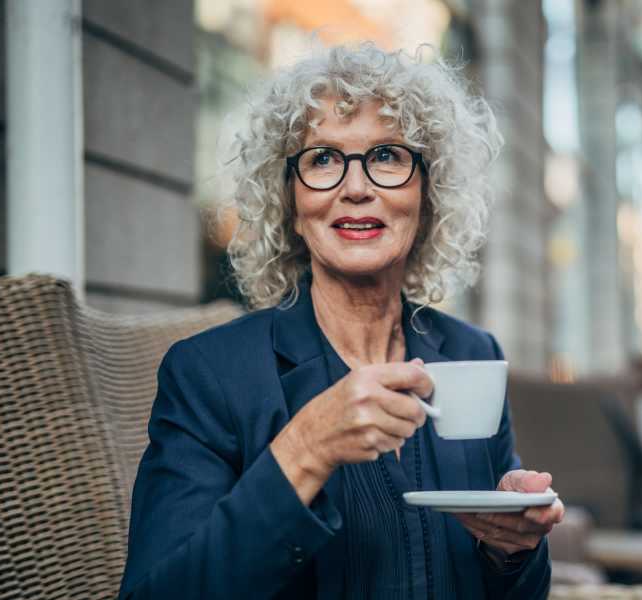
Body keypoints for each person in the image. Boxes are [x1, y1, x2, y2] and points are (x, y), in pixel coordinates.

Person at [118, 44, 563, 599]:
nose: (356, 187)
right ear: (290, 204)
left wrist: (510, 548)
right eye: (323, 159)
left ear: (427, 195)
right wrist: (305, 449)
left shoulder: (470, 353)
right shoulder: (209, 375)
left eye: (387, 156)